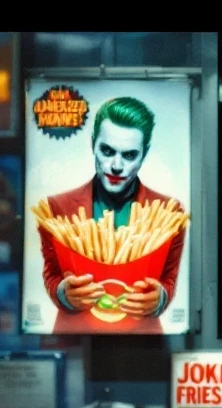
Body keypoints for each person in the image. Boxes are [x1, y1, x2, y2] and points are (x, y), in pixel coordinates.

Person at [37, 96, 185, 333]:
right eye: (107, 150)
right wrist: (64, 293)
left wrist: (159, 299)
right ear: (93, 144)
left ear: (144, 154)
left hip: (143, 340)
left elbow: (169, 278)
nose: (116, 166)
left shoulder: (170, 212)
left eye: (129, 155)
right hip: (74, 337)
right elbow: (51, 272)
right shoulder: (57, 207)